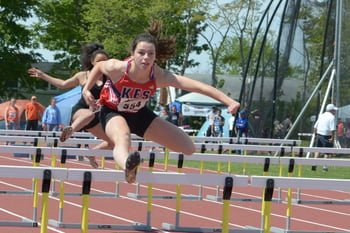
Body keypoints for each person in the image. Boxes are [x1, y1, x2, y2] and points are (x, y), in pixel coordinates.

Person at [82, 23, 240, 184]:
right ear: (132, 54)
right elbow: (99, 67)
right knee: (123, 137)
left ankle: (129, 165)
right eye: (141, 53)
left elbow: (200, 87)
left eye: (150, 54)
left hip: (139, 114)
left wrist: (229, 101)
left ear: (155, 56)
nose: (145, 58)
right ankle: (128, 168)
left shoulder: (160, 76)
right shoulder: (117, 68)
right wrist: (86, 89)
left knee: (188, 148)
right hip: (112, 111)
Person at [28, 43, 112, 168]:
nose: (103, 64)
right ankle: (70, 130)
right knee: (88, 114)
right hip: (80, 112)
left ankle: (91, 153)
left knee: (114, 142)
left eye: (105, 61)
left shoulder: (111, 77)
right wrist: (43, 75)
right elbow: (63, 84)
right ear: (92, 62)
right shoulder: (83, 75)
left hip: (96, 118)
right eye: (99, 61)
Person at [312, 103, 338, 172]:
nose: (335, 112)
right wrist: (332, 138)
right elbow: (332, 129)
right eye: (334, 110)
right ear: (331, 110)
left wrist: (315, 135)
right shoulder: (332, 117)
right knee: (327, 152)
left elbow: (315, 127)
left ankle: (314, 165)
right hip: (327, 136)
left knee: (317, 150)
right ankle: (325, 167)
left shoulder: (321, 115)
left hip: (319, 135)